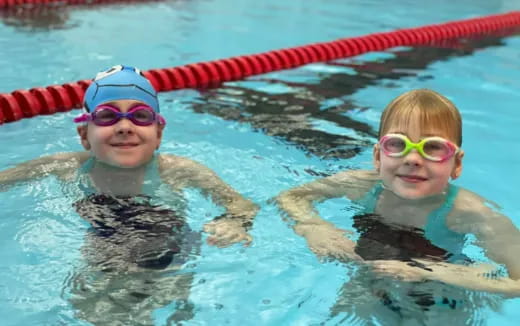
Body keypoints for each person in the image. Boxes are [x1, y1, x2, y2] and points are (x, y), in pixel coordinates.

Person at [0, 65, 258, 324]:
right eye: (106, 116)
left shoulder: (180, 171)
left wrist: (233, 222)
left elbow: (242, 205)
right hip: (104, 249)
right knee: (90, 308)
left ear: (158, 134)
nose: (125, 126)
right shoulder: (64, 166)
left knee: (170, 310)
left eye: (141, 116)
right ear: (84, 135)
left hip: (169, 254)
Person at [276, 89, 520, 322]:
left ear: (456, 164)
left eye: (433, 147)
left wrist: (429, 271)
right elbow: (291, 197)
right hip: (371, 281)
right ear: (378, 156)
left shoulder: (469, 213)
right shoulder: (360, 186)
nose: (412, 159)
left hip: (441, 296)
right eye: (397, 144)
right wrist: (315, 227)